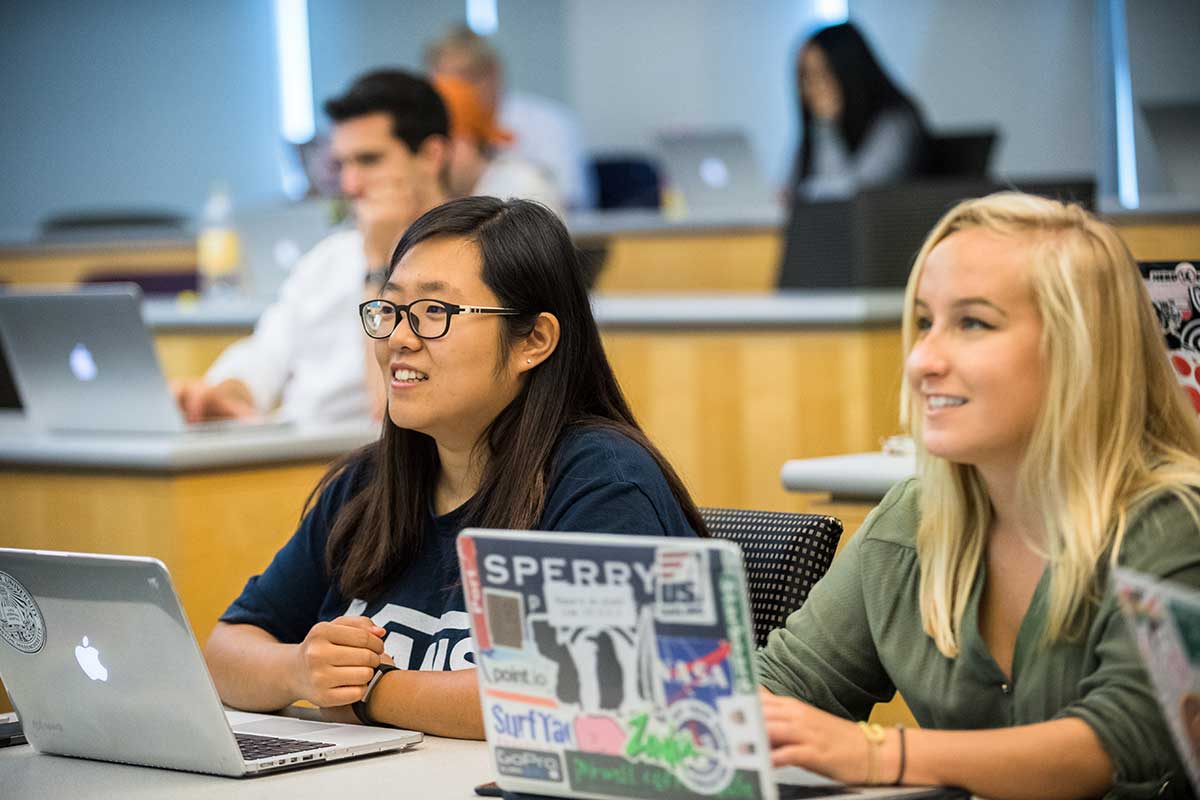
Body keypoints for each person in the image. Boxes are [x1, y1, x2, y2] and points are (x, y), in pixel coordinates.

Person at [204, 197, 706, 739]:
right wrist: (299, 670)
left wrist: (372, 692)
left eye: (434, 314)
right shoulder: (366, 483)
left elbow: (584, 696)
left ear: (533, 341)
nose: (398, 337)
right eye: (390, 309)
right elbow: (226, 651)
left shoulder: (601, 482)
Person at [758, 192, 1200, 797]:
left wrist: (875, 752)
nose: (922, 360)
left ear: (1080, 349)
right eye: (923, 322)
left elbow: (1112, 745)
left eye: (973, 323)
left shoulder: (1172, 520)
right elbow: (785, 685)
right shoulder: (912, 519)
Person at [174, 70, 450, 424]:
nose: (349, 185)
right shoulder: (330, 257)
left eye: (369, 160)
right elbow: (266, 353)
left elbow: (391, 416)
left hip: (363, 463)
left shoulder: (468, 262)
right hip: (294, 451)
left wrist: (378, 266)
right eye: (341, 164)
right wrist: (225, 395)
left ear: (430, 155)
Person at [425, 25, 593, 211]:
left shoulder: (550, 122)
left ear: (494, 73)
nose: (454, 91)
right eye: (443, 81)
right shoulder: (433, 127)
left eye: (465, 78)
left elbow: (569, 199)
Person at [789, 21, 928, 202]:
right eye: (805, 76)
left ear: (847, 70)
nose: (811, 88)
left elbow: (848, 197)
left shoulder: (894, 122)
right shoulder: (814, 130)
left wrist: (826, 126)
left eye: (822, 74)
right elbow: (794, 188)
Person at [432, 74, 565, 217]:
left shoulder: (523, 187)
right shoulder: (461, 193)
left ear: (465, 142)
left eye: (434, 150)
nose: (432, 164)